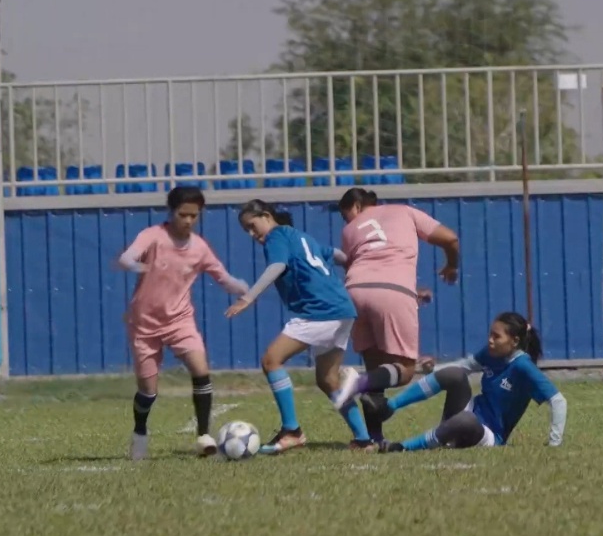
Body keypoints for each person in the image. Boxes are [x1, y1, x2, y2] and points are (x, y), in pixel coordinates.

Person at [224, 199, 375, 454]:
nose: (251, 234)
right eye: (246, 230)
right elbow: (336, 255)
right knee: (328, 379)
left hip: (320, 311)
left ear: (267, 216)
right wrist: (356, 265)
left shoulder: (276, 237)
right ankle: (363, 440)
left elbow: (277, 266)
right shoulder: (301, 237)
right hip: (342, 309)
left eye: (252, 226)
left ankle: (292, 431)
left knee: (271, 360)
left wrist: (248, 298)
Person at [117, 186, 250, 461]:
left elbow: (222, 277)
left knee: (200, 369)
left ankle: (204, 437)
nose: (188, 220)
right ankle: (140, 433)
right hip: (144, 324)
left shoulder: (199, 248)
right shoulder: (153, 236)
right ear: (171, 212)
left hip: (180, 320)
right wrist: (136, 265)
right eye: (183, 214)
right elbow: (127, 257)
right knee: (148, 391)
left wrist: (241, 288)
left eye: (194, 215)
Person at [328, 187, 460, 445]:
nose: (347, 221)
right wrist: (452, 265)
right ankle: (358, 383)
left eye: (346, 215)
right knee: (406, 370)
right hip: (393, 291)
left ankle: (375, 438)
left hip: (354, 292)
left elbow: (367, 266)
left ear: (356, 206)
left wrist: (408, 292)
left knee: (375, 368)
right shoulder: (405, 211)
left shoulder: (350, 230)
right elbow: (451, 238)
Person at [362, 312, 567, 452]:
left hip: (488, 435)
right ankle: (388, 407)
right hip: (470, 413)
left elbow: (558, 401)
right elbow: (465, 366)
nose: (490, 340)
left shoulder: (524, 367)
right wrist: (433, 369)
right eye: (490, 334)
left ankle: (401, 447)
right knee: (455, 375)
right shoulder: (491, 353)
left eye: (496, 337)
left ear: (514, 341)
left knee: (466, 421)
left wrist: (554, 443)